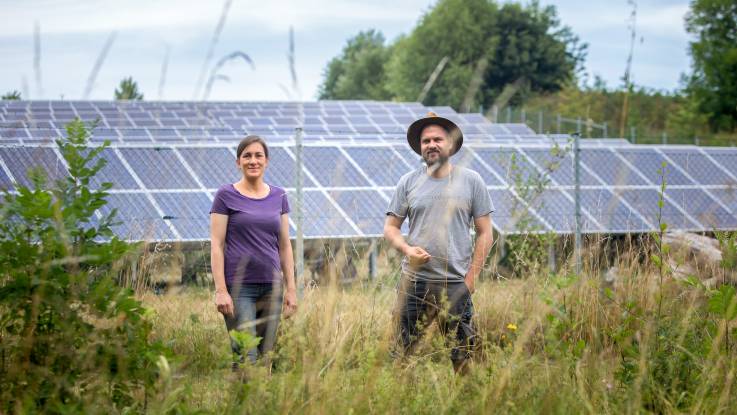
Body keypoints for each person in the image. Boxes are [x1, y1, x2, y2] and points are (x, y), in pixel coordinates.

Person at [384, 112, 494, 374]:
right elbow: (390, 228)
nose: (431, 145)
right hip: (414, 282)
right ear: (420, 148)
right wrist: (407, 249)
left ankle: (465, 403)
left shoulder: (472, 181)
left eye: (437, 139)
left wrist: (471, 280)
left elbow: (485, 233)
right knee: (402, 354)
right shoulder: (408, 182)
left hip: (455, 282)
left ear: (451, 144)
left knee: (463, 356)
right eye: (425, 141)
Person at [210, 135, 298, 369]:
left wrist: (291, 289)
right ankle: (241, 404)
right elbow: (217, 245)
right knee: (245, 355)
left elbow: (285, 245)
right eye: (247, 156)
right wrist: (220, 291)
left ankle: (263, 405)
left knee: (266, 355)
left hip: (272, 287)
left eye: (258, 155)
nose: (253, 160)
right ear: (238, 162)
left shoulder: (279, 195)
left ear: (267, 161)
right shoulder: (225, 195)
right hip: (240, 289)